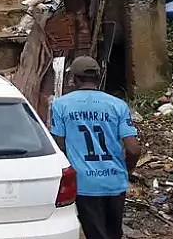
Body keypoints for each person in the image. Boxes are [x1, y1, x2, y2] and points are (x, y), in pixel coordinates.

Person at [50, 56, 143, 239]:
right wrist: (126, 170)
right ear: (98, 78)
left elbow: (59, 145)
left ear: (74, 79)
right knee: (113, 233)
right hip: (115, 181)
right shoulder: (118, 105)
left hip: (85, 184)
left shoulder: (61, 105)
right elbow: (133, 149)